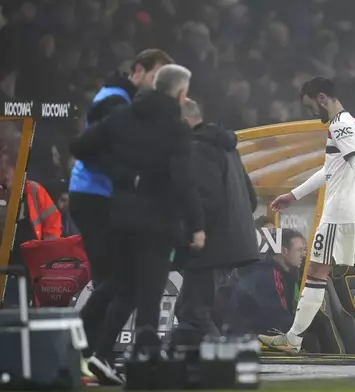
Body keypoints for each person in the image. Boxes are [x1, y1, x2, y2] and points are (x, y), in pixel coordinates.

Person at [70, 64, 205, 385]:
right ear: (182, 93)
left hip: (119, 218)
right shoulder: (175, 128)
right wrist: (197, 225)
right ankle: (146, 371)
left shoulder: (122, 117)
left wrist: (121, 175)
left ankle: (97, 355)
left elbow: (80, 148)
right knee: (147, 297)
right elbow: (183, 181)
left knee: (123, 288)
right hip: (158, 225)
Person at [259, 77, 355, 355]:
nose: (310, 113)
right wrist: (294, 195)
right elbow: (330, 170)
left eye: (310, 107)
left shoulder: (340, 125)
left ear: (321, 98)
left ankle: (293, 339)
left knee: (316, 273)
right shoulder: (347, 124)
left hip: (340, 214)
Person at [67, 49, 174, 364]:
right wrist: (131, 177)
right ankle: (78, 349)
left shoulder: (123, 101)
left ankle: (88, 354)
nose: (158, 85)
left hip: (101, 196)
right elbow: (91, 148)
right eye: (156, 76)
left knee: (116, 280)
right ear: (138, 71)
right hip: (94, 196)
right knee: (116, 279)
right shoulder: (115, 102)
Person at [170, 98, 259, 346]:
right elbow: (250, 200)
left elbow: (205, 200)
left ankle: (222, 362)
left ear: (185, 122)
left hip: (210, 247)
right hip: (230, 246)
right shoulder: (227, 148)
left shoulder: (197, 148)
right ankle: (203, 364)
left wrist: (188, 235)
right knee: (192, 311)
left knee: (193, 313)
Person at [226, 229, 307, 335]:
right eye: (299, 250)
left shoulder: (285, 272)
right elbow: (278, 314)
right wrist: (301, 331)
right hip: (252, 334)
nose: (304, 254)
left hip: (256, 330)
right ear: (284, 251)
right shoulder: (270, 274)